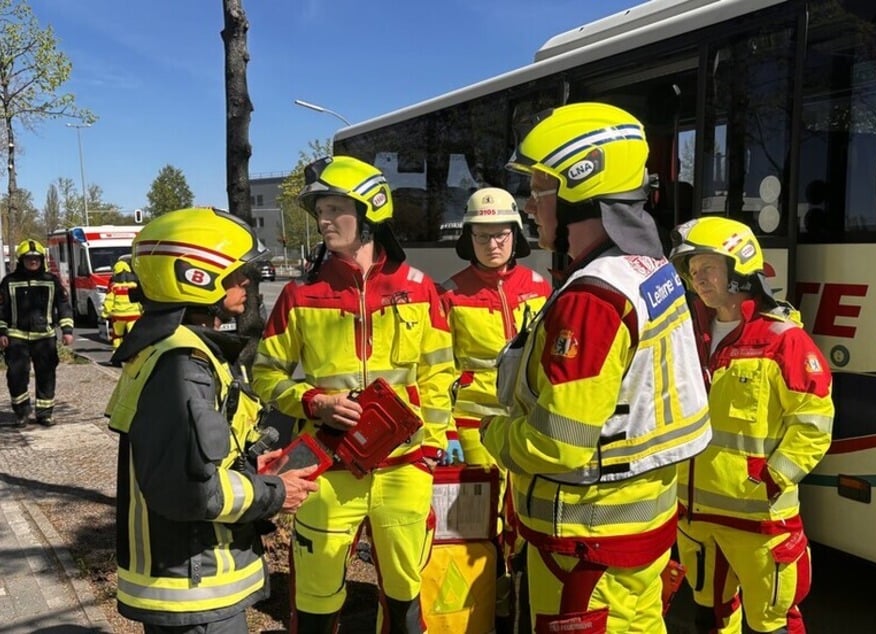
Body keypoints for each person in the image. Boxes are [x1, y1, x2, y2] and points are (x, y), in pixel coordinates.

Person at [480, 102, 712, 633]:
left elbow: (558, 443)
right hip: (637, 535)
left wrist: (492, 434)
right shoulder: (649, 269)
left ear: (576, 192)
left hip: (584, 547)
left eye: (539, 191)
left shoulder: (593, 299)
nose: (531, 208)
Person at [252, 155, 456, 633]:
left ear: (370, 213)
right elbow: (264, 375)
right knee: (317, 593)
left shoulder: (420, 289)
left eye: (335, 208)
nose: (323, 220)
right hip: (325, 468)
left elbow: (441, 374)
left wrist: (430, 445)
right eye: (320, 209)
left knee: (405, 592)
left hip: (404, 469)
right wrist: (313, 402)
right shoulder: (300, 294)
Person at [104, 207, 319, 633]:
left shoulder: (168, 347)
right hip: (195, 584)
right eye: (236, 274)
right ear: (195, 277)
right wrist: (275, 492)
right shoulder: (183, 365)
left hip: (187, 577)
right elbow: (188, 491)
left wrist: (253, 468)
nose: (246, 283)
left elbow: (184, 460)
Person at [668, 216, 834, 634]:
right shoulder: (689, 336)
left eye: (707, 267)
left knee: (772, 625)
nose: (698, 279)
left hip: (761, 524)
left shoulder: (784, 340)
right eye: (692, 270)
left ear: (739, 267)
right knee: (709, 618)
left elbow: (813, 423)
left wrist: (773, 478)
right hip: (696, 519)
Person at [437, 186, 551, 631]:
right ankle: (487, 606)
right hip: (473, 428)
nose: (493, 244)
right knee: (477, 527)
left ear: (515, 235)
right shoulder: (450, 294)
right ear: (469, 239)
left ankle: (520, 603)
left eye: (501, 234)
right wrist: (445, 432)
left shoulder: (540, 287)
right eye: (482, 236)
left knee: (525, 519)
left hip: (526, 427)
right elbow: (438, 370)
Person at [0, 239, 74, 427]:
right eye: (29, 258)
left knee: (46, 375)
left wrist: (67, 330)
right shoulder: (9, 282)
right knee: (16, 375)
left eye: (36, 258)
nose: (33, 261)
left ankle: (45, 413)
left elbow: (64, 306)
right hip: (17, 336)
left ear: (41, 259)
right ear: (21, 260)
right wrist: (2, 332)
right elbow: (1, 310)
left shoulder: (51, 280)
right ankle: (22, 412)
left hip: (44, 337)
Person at [101, 256, 143, 350]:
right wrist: (142, 311)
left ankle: (117, 354)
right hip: (133, 315)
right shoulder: (134, 286)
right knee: (133, 335)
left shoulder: (114, 287)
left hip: (118, 316)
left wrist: (105, 314)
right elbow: (140, 300)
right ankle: (134, 352)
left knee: (117, 336)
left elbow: (109, 301)